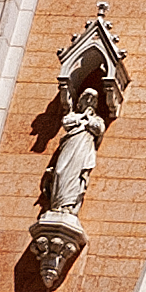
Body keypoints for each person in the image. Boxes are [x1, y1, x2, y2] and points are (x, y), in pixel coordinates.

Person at [43, 88, 105, 217]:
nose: (89, 102)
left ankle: (68, 205)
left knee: (75, 175)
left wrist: (89, 118)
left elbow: (98, 129)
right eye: (86, 99)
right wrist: (83, 116)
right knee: (60, 172)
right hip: (68, 148)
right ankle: (57, 204)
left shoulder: (97, 120)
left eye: (92, 100)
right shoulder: (74, 116)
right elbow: (66, 122)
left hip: (81, 151)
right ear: (80, 102)